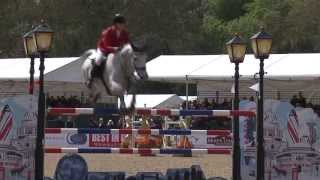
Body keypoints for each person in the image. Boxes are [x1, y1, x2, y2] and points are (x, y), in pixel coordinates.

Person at [89, 13, 130, 87]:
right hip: (104, 49)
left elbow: (127, 44)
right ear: (116, 24)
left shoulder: (125, 33)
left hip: (117, 51)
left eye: (123, 23)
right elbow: (106, 45)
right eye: (121, 23)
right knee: (98, 60)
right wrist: (115, 48)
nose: (123, 25)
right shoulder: (108, 32)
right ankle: (92, 78)